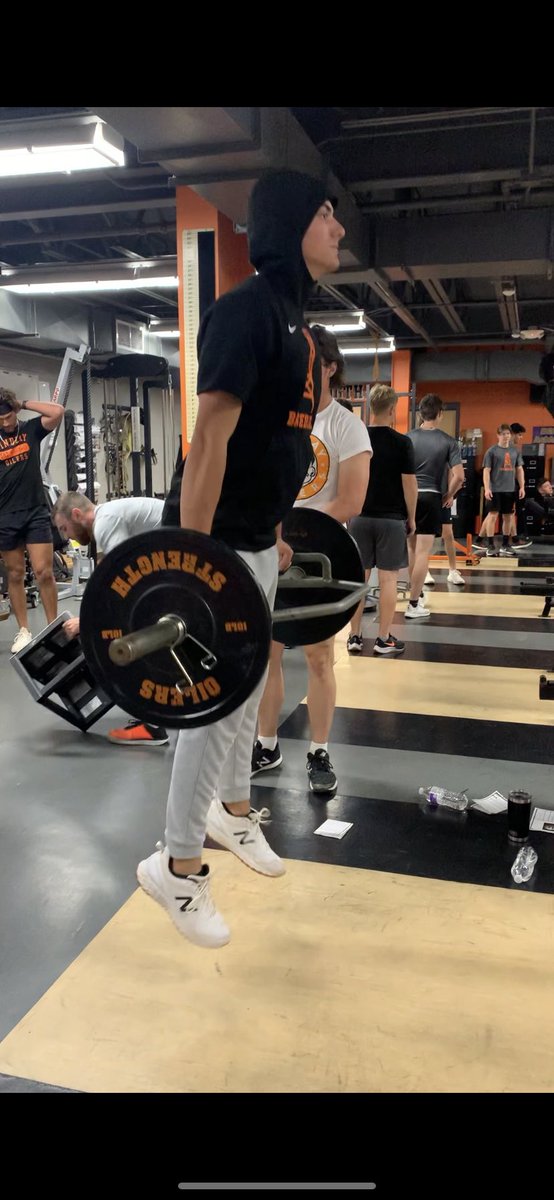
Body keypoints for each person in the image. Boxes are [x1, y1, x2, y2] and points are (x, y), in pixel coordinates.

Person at [136, 168, 346, 949]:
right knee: (213, 709)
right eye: (327, 216)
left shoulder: (294, 329)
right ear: (291, 225)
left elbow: (272, 446)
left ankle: (228, 816)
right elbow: (212, 442)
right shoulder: (244, 311)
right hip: (211, 543)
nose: (340, 230)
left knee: (249, 688)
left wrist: (275, 528)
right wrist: (193, 559)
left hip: (254, 539)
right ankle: (177, 868)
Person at [251, 325, 371, 793]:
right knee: (269, 653)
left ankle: (319, 751)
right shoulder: (281, 421)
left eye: (309, 363)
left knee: (321, 658)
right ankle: (267, 742)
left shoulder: (347, 426)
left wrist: (295, 525)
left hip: (324, 553)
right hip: (273, 550)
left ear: (329, 367)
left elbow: (351, 501)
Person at [52, 490, 169, 746]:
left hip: (179, 563)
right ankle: (153, 716)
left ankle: (153, 726)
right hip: (171, 564)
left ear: (76, 514)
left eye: (64, 528)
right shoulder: (108, 518)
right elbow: (107, 579)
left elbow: (123, 582)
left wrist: (87, 623)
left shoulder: (105, 522)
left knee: (129, 638)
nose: (66, 536)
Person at [348, 383, 417, 653]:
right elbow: (409, 484)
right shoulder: (402, 443)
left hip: (359, 517)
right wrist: (411, 517)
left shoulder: (357, 439)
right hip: (390, 519)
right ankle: (383, 639)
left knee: (357, 579)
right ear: (392, 409)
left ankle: (353, 637)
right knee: (388, 579)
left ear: (368, 408)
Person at [0, 387, 64, 653]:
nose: (6, 423)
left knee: (44, 572)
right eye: (1, 419)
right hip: (5, 515)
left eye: (9, 417)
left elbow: (57, 411)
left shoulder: (30, 430)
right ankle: (24, 631)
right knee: (15, 574)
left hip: (35, 511)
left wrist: (23, 402)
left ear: (15, 412)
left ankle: (53, 629)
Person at [405, 394, 464, 618]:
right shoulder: (448, 441)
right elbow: (459, 476)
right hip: (431, 497)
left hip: (408, 498)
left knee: (412, 550)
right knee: (423, 553)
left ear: (420, 413)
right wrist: (448, 495)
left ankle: (416, 595)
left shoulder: (407, 438)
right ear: (440, 414)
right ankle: (413, 605)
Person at [472, 423, 525, 557]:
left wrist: (522, 486)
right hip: (495, 489)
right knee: (493, 516)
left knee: (508, 517)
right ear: (498, 435)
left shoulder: (515, 451)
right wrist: (487, 488)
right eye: (503, 434)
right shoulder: (492, 451)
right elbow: (486, 471)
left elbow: (519, 469)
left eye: (508, 434)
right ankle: (490, 544)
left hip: (510, 489)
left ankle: (506, 544)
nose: (506, 436)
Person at [424, 462, 466, 587]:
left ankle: (452, 570)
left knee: (448, 534)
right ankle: (424, 570)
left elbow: (457, 477)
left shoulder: (448, 451)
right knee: (426, 535)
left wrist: (450, 495)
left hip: (443, 496)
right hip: (427, 494)